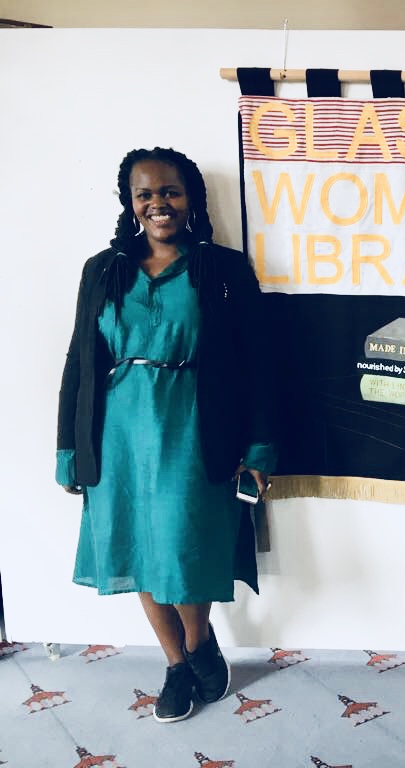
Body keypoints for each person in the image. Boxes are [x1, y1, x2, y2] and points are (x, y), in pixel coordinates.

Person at [56, 147, 275, 723]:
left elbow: (259, 363)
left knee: (183, 547)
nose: (159, 204)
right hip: (116, 433)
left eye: (170, 192)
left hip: (194, 428)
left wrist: (258, 449)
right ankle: (177, 663)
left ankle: (200, 640)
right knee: (135, 547)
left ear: (192, 199)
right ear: (130, 203)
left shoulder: (224, 271)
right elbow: (80, 361)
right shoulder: (101, 270)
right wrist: (68, 447)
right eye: (145, 194)